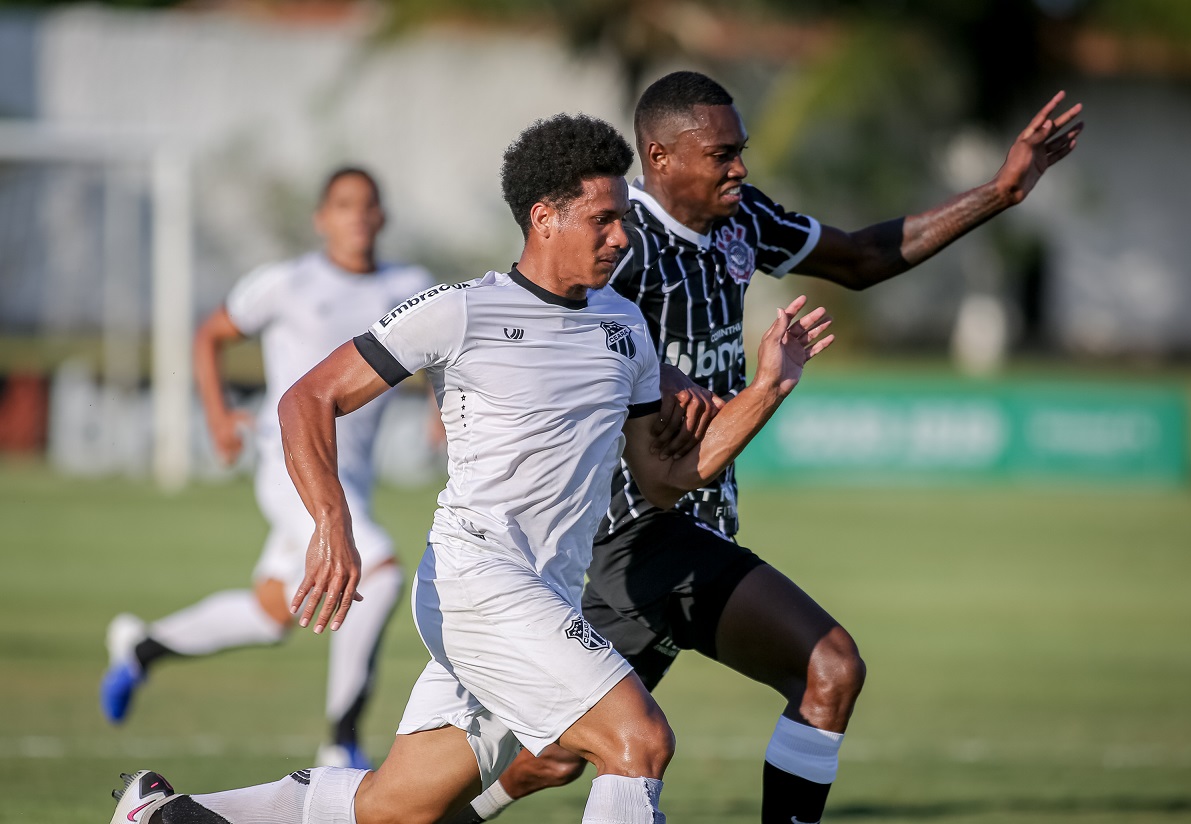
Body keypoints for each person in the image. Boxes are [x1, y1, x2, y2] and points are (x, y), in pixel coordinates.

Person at [108, 113, 834, 824]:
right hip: (479, 581)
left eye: (624, 220)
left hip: (546, 592)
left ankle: (165, 815)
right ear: (545, 217)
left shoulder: (623, 323)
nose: (622, 237)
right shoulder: (460, 312)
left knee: (396, 807)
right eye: (604, 220)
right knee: (637, 740)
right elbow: (309, 398)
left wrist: (768, 386)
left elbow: (665, 478)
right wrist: (331, 522)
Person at [454, 71, 1085, 824]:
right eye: (721, 154)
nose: (739, 169)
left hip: (693, 521)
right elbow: (549, 324)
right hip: (636, 525)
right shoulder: (620, 243)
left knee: (554, 755)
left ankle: (430, 814)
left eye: (740, 151)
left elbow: (859, 257)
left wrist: (1002, 192)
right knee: (829, 666)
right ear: (660, 156)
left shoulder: (740, 220)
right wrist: (665, 374)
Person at [99, 167, 436, 770]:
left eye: (368, 205)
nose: (357, 215)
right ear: (321, 219)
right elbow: (211, 334)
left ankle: (140, 649)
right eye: (343, 205)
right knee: (378, 570)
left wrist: (440, 411)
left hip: (351, 477)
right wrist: (218, 413)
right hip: (290, 467)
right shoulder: (287, 284)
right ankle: (341, 742)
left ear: (382, 217)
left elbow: (437, 354)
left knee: (274, 611)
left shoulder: (408, 285)